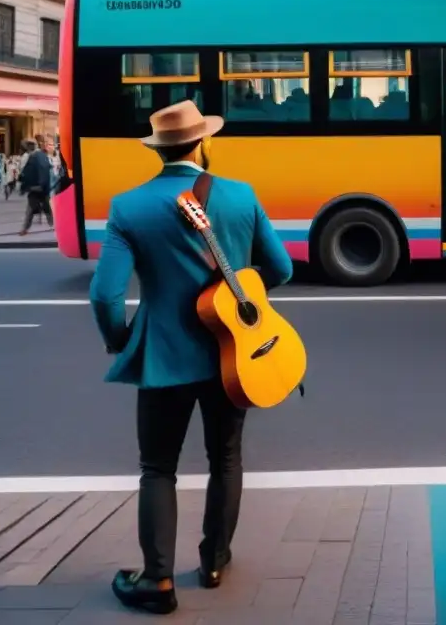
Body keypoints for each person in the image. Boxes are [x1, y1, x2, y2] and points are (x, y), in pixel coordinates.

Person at [89, 100, 293, 616]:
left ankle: (157, 580)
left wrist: (119, 340)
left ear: (159, 150)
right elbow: (282, 268)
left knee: (157, 467)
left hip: (163, 356)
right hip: (235, 356)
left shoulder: (128, 207)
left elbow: (105, 295)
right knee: (226, 458)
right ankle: (215, 561)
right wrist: (235, 297)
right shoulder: (240, 196)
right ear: (202, 143)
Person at [18, 139, 53, 234]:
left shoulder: (37, 156)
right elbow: (27, 172)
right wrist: (22, 180)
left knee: (43, 207)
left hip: (39, 187)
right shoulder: (35, 156)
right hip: (38, 187)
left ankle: (53, 224)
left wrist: (40, 184)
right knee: (35, 207)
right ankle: (25, 228)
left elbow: (44, 170)